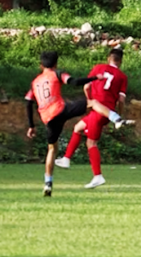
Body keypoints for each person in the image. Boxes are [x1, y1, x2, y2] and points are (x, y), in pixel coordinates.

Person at [25, 51, 103, 197]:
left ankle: (48, 182)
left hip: (48, 118)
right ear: (56, 64)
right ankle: (116, 118)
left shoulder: (35, 82)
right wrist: (94, 78)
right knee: (91, 103)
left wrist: (31, 125)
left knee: (52, 149)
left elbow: (28, 102)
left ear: (41, 65)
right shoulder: (57, 73)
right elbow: (74, 82)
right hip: (60, 110)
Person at [60, 48, 134, 190]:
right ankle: (66, 159)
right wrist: (120, 112)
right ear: (121, 61)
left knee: (91, 143)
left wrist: (90, 101)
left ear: (108, 58)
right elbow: (121, 99)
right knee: (78, 128)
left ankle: (98, 176)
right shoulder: (122, 76)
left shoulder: (99, 68)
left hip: (98, 111)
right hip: (107, 111)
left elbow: (87, 86)